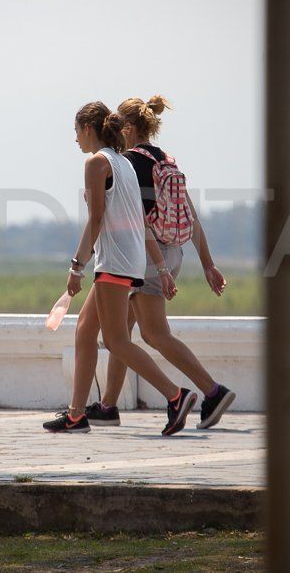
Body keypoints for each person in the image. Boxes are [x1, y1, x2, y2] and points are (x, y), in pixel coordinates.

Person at [43, 102, 198, 435]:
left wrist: (76, 267)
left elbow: (96, 219)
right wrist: (160, 266)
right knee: (85, 332)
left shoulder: (97, 163)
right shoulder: (123, 162)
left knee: (115, 341)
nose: (75, 140)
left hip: (113, 262)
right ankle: (75, 415)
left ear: (88, 129)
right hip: (129, 261)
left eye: (76, 132)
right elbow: (139, 219)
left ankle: (176, 396)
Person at [81, 96, 236, 430]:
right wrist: (207, 263)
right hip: (172, 251)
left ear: (130, 128)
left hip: (145, 255)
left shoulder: (129, 162)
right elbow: (190, 215)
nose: (113, 130)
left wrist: (156, 265)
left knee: (152, 333)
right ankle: (108, 405)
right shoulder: (166, 160)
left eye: (118, 124)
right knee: (121, 333)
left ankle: (211, 391)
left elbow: (139, 218)